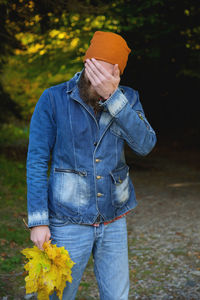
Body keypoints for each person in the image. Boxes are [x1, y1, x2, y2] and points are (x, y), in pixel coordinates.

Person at [26, 31, 156, 299]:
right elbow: (37, 161)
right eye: (95, 71)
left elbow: (145, 145)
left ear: (117, 75)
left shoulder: (128, 99)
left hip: (114, 218)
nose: (98, 82)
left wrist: (113, 98)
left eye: (107, 77)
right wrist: (39, 221)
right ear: (87, 62)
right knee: (56, 295)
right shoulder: (52, 99)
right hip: (66, 219)